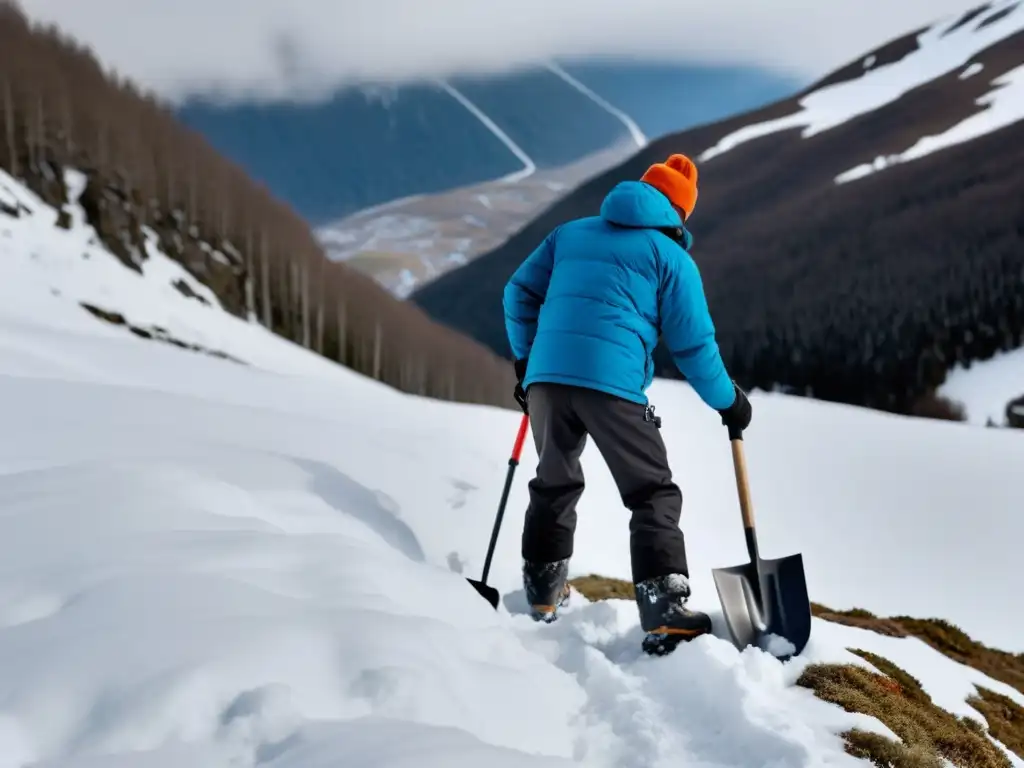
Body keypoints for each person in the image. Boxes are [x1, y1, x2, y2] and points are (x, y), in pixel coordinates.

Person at [502, 153, 752, 655]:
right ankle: (663, 607)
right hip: (612, 385)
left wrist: (527, 361)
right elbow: (694, 346)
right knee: (652, 491)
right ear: (679, 213)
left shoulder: (569, 234)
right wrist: (728, 402)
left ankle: (544, 593)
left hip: (547, 380)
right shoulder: (671, 257)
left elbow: (517, 294)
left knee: (554, 482)